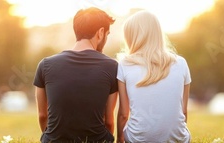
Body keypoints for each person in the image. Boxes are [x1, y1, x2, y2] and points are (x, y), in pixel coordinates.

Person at [33, 7, 118, 143]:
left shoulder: (45, 65)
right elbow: (109, 121)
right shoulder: (112, 66)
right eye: (107, 34)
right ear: (101, 33)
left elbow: (43, 115)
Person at [116, 11, 192, 143]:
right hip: (179, 139)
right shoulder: (181, 63)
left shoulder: (125, 64)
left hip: (137, 140)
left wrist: (120, 139)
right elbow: (183, 111)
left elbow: (123, 114)